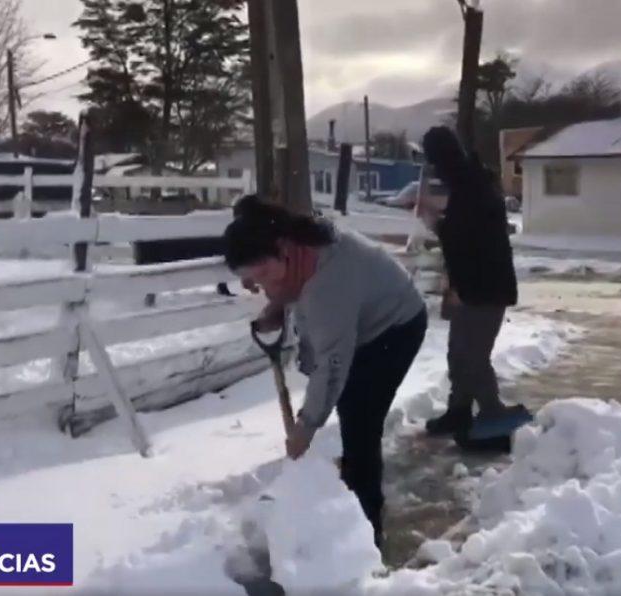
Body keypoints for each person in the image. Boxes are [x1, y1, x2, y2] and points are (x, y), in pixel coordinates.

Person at [222, 197, 428, 548]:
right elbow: (292, 288)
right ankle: (349, 494)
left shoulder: (329, 280)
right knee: (351, 409)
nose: (261, 285)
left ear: (283, 248)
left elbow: (331, 365)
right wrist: (277, 304)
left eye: (263, 275)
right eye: (251, 279)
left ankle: (366, 530)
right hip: (361, 320)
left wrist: (306, 425)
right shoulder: (299, 244)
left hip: (395, 325)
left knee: (360, 420)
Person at [419, 126, 520, 439]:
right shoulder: (470, 182)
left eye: (434, 161)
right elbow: (465, 234)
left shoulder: (472, 187)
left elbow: (466, 240)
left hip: (486, 287)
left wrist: (436, 223)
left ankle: (493, 415)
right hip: (473, 285)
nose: (435, 169)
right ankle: (459, 412)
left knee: (473, 357)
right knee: (458, 353)